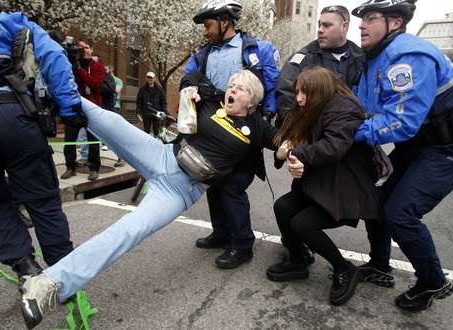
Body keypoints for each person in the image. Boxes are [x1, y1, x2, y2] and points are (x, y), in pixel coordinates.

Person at [18, 69, 276, 328]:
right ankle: (45, 87)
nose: (232, 90)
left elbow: (287, 140)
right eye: (231, 84)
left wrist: (297, 154)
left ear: (252, 101)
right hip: (161, 155)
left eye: (240, 88)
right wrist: (191, 87)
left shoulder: (257, 128)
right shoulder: (213, 100)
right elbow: (194, 74)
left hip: (180, 190)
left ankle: (45, 285)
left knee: (127, 231)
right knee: (110, 120)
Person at [0, 0, 82, 283]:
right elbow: (54, 57)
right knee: (43, 198)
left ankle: (25, 267)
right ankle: (63, 273)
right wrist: (70, 107)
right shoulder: (13, 22)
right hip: (15, 115)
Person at [351, 0, 453, 312]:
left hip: (445, 148)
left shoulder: (407, 55)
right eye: (362, 19)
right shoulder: (376, 57)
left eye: (371, 18)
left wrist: (347, 133)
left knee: (401, 212)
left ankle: (433, 281)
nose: (361, 25)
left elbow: (401, 120)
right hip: (417, 145)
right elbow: (366, 109)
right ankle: (380, 265)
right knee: (377, 201)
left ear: (395, 22)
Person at [267, 66, 381, 306]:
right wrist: (287, 152)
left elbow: (333, 146)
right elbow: (289, 138)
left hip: (346, 186)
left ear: (318, 90)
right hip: (322, 180)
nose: (298, 98)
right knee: (283, 207)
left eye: (303, 92)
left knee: (302, 224)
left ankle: (344, 269)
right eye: (297, 91)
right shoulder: (313, 107)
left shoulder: (345, 109)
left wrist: (296, 153)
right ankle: (298, 260)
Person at [185, 0, 280, 269]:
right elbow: (187, 77)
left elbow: (273, 86)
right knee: (214, 184)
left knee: (234, 186)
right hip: (214, 128)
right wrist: (190, 86)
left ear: (225, 22)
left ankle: (242, 245)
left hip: (245, 131)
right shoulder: (202, 54)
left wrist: (264, 119)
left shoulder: (257, 49)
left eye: (209, 25)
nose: (205, 31)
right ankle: (222, 233)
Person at [276, 5, 364, 127]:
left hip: (351, 133)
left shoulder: (362, 59)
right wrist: (299, 131)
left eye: (327, 25)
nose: (320, 30)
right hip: (310, 135)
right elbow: (286, 94)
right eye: (319, 25)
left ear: (344, 26)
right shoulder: (304, 58)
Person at [61, 40, 102, 181]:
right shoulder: (70, 65)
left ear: (91, 49)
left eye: (87, 47)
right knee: (69, 140)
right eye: (81, 48)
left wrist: (79, 69)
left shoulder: (97, 67)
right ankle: (70, 167)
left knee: (93, 140)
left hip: (92, 107)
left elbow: (95, 84)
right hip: (74, 107)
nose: (85, 50)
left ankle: (94, 168)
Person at [136, 71, 167, 136]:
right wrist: (138, 112)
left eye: (151, 77)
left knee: (156, 132)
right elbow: (139, 101)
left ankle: (155, 144)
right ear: (146, 78)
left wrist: (164, 111)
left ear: (154, 78)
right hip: (146, 113)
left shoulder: (160, 89)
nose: (150, 79)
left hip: (157, 113)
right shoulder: (142, 89)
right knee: (146, 132)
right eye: (148, 77)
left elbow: (163, 101)